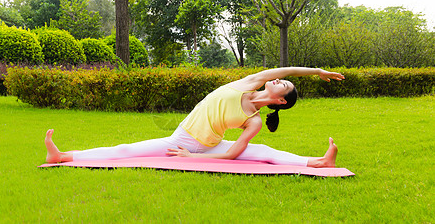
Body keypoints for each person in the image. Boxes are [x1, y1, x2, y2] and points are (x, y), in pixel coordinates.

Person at [45, 67, 345, 168]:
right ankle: (64, 156)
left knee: (263, 152)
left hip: (201, 146)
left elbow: (230, 155)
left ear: (280, 101)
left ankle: (319, 162)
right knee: (124, 151)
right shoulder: (249, 82)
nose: (280, 80)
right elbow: (287, 70)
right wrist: (317, 72)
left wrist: (191, 157)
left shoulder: (253, 121)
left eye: (285, 87)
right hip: (184, 138)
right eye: (283, 81)